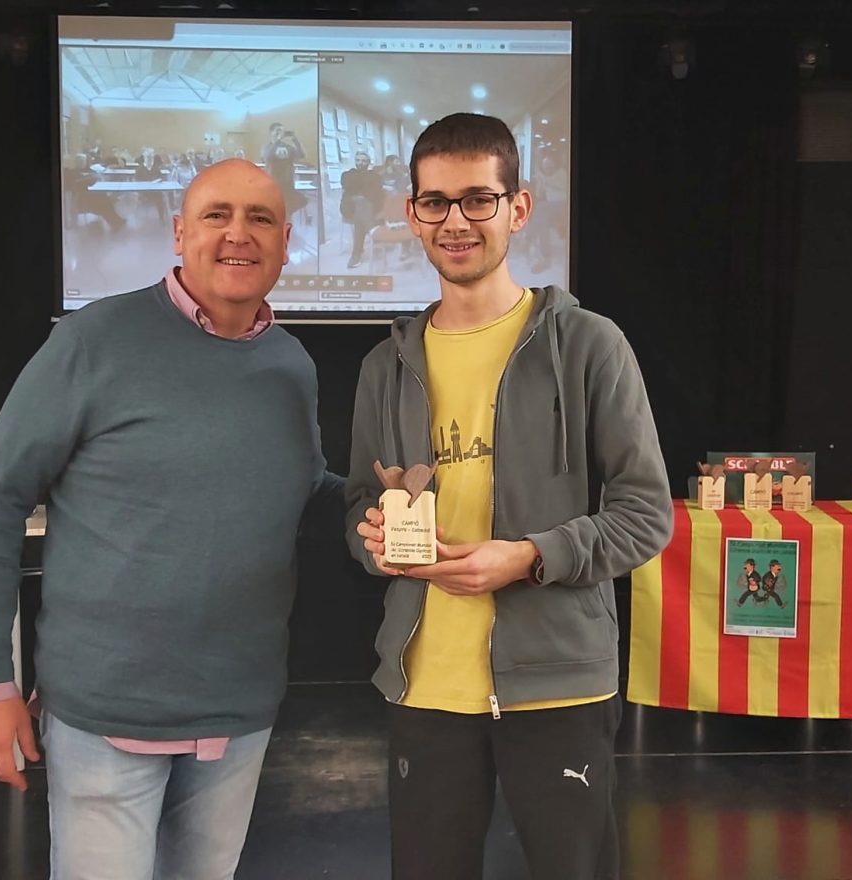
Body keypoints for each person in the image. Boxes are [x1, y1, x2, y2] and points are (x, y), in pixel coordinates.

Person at [0, 158, 342, 880]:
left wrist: (389, 511)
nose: (238, 234)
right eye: (217, 215)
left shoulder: (290, 364)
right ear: (179, 233)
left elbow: (304, 489)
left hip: (239, 707)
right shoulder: (95, 339)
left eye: (260, 219)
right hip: (106, 710)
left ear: (286, 243)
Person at [346, 113, 673, 880]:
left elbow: (646, 513)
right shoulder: (384, 367)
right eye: (436, 202)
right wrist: (370, 537)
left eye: (478, 199)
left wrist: (528, 557)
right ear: (412, 213)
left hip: (558, 683)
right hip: (425, 684)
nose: (455, 222)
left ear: (518, 208)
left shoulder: (588, 345)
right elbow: (360, 498)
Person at [340, 151, 386, 269]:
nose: (360, 163)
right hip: (350, 207)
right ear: (355, 161)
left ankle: (356, 254)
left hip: (368, 207)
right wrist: (363, 190)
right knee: (361, 204)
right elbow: (348, 186)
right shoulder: (347, 174)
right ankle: (373, 231)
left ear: (368, 163)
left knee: (361, 211)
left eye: (364, 161)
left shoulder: (374, 175)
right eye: (358, 160)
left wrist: (362, 193)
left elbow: (376, 190)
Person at [260, 122, 307, 220]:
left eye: (282, 131)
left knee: (288, 212)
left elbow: (302, 154)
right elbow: (267, 157)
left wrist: (295, 139)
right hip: (273, 184)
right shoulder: (266, 147)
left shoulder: (287, 147)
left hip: (287, 183)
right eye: (277, 130)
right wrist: (276, 142)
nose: (280, 133)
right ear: (271, 132)